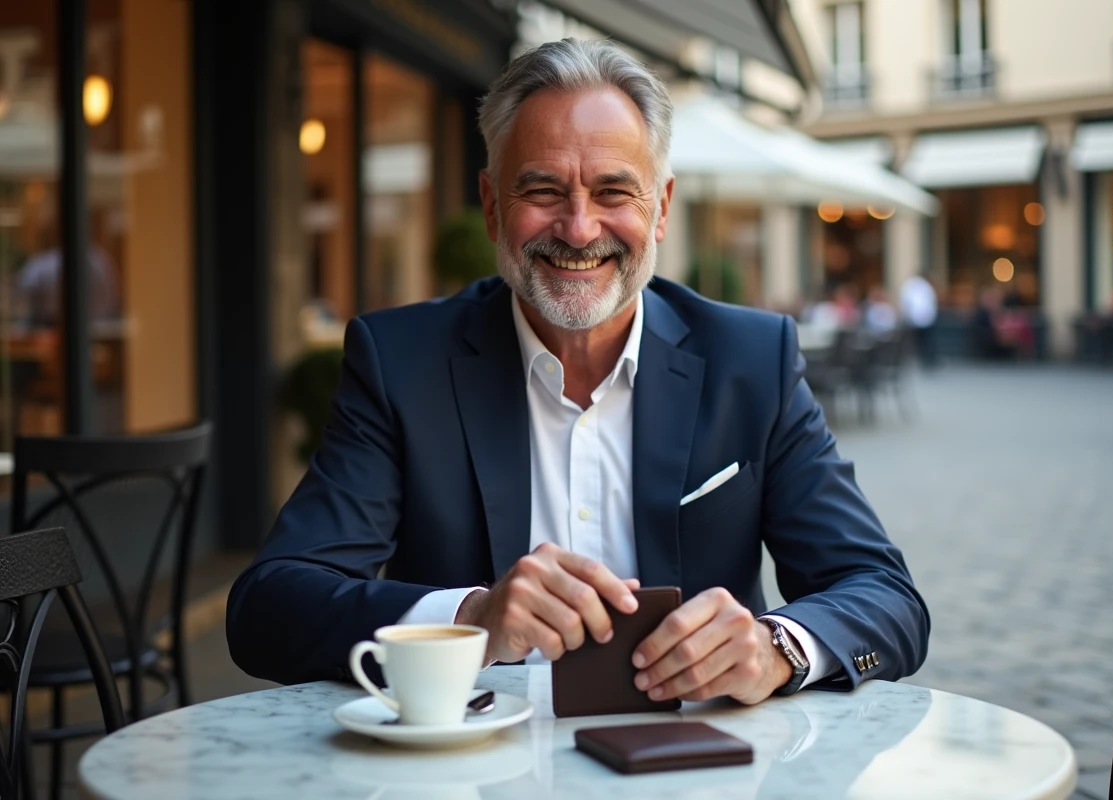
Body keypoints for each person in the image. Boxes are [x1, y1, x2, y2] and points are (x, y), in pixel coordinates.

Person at [227, 39, 929, 704]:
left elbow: (884, 594)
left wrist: (777, 649)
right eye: (543, 190)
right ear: (492, 207)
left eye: (614, 192)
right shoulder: (401, 363)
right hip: (472, 762)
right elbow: (268, 608)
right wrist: (471, 618)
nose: (579, 228)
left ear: (661, 209)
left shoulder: (752, 359)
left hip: (701, 760)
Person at [899, 270, 938, 366]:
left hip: (917, 319)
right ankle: (926, 359)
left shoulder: (909, 285)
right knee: (926, 340)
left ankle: (923, 358)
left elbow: (905, 302)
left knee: (919, 340)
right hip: (925, 318)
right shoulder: (924, 285)